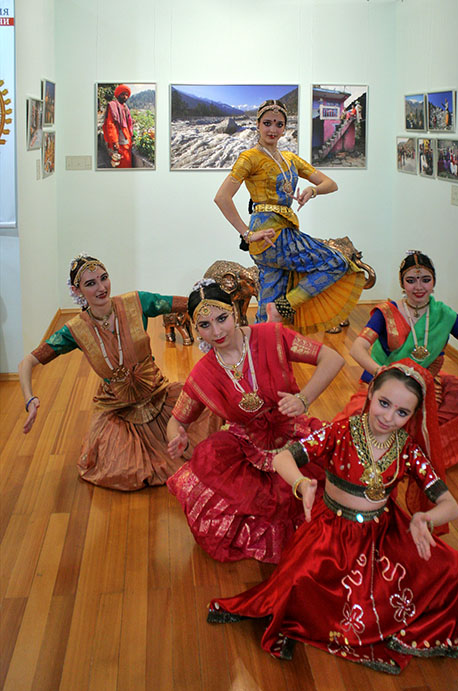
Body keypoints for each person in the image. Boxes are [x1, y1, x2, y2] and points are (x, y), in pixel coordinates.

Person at [207, 360, 458, 675]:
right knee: (296, 584)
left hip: (383, 534)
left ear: (413, 415)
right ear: (371, 393)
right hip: (332, 532)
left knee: (455, 567)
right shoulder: (341, 432)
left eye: (402, 412)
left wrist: (425, 519)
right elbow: (283, 458)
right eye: (384, 403)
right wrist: (301, 483)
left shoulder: (408, 449)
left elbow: (450, 504)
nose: (389, 417)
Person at [166, 280, 345, 563]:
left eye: (222, 318)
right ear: (196, 329)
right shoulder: (203, 374)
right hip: (247, 449)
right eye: (205, 325)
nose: (217, 332)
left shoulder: (272, 336)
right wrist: (176, 437)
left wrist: (304, 399)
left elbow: (332, 358)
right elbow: (177, 420)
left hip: (294, 438)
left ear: (235, 312)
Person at [18, 254, 216, 491]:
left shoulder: (137, 302)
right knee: (125, 471)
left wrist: (212, 301)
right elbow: (27, 362)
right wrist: (30, 399)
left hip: (159, 396)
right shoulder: (75, 330)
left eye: (104, 278)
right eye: (91, 283)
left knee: (208, 412)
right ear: (77, 290)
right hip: (118, 410)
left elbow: (190, 304)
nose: (101, 288)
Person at [214, 99, 365, 334]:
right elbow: (222, 197)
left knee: (268, 308)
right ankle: (283, 307)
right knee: (336, 262)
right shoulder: (249, 157)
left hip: (280, 233)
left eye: (279, 124)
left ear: (285, 127)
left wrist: (312, 190)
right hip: (273, 234)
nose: (273, 129)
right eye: (267, 123)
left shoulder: (290, 159)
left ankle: (262, 346)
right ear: (257, 124)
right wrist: (247, 234)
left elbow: (330, 184)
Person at [340, 251, 458, 469]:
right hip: (386, 382)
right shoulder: (387, 312)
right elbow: (358, 348)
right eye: (411, 280)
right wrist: (380, 371)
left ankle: (421, 450)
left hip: (425, 382)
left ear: (434, 282)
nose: (419, 287)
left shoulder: (444, 315)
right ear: (402, 284)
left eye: (425, 279)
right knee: (350, 424)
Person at [102, 84, 134, 168]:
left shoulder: (125, 107)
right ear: (118, 95)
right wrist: (115, 141)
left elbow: (128, 123)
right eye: (123, 94)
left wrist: (131, 136)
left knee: (127, 160)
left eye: (126, 95)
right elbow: (110, 124)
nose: (125, 97)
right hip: (119, 140)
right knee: (123, 161)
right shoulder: (113, 106)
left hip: (127, 138)